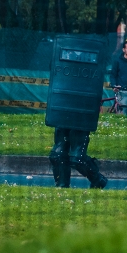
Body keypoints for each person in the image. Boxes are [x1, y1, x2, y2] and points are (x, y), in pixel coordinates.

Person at [46, 36, 108, 189]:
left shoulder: (91, 69)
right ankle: (62, 185)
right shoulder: (62, 65)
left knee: (77, 158)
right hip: (63, 112)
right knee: (58, 154)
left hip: (81, 116)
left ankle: (98, 180)